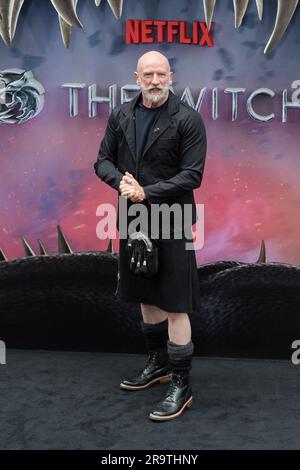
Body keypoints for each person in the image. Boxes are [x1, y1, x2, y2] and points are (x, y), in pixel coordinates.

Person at [94, 50, 206, 421]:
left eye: (161, 74)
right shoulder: (122, 113)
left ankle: (181, 383)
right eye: (148, 75)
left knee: (175, 302)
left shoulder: (188, 119)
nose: (155, 81)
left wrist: (146, 191)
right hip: (134, 218)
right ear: (137, 77)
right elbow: (102, 161)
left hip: (171, 218)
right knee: (145, 296)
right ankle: (157, 366)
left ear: (171, 76)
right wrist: (123, 184)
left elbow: (192, 175)